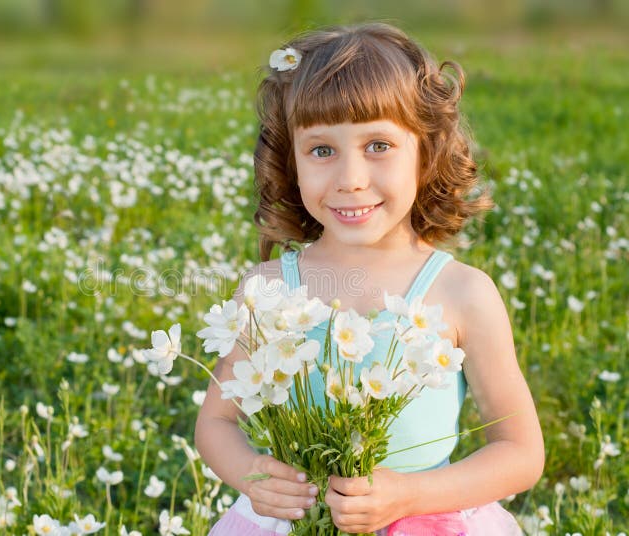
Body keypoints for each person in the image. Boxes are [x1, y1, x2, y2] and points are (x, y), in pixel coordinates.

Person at [194, 22, 544, 535]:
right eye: (321, 150)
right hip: (296, 519)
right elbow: (216, 423)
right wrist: (254, 476)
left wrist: (409, 495)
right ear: (290, 161)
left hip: (422, 518)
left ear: (425, 152)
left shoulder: (462, 294)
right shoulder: (268, 289)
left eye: (378, 145)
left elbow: (520, 451)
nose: (351, 178)